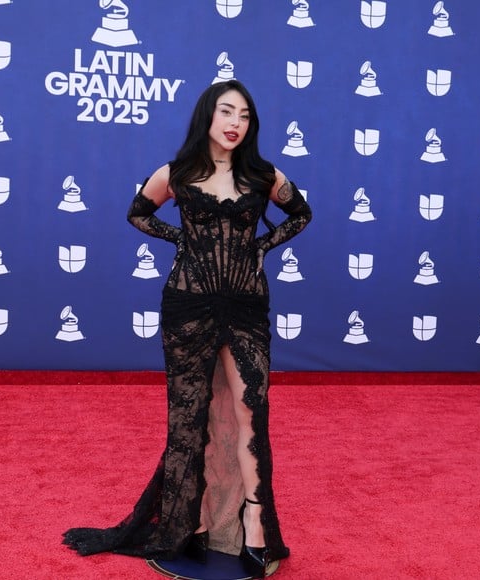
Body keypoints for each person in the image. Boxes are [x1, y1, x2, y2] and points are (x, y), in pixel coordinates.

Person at [63, 80, 312, 578]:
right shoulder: (178, 173)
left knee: (250, 415)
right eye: (226, 111)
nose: (235, 122)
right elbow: (138, 213)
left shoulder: (264, 176)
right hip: (188, 307)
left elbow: (301, 214)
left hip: (246, 307)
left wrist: (261, 248)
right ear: (208, 116)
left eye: (244, 114)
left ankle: (257, 531)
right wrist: (183, 239)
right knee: (189, 420)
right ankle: (190, 527)